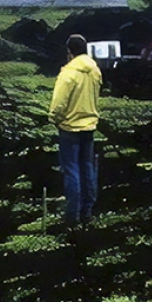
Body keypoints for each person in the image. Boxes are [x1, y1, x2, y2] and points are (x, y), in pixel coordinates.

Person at [48, 34, 102, 230]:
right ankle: (87, 211)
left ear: (69, 51)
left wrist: (54, 119)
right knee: (87, 167)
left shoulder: (68, 73)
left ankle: (72, 215)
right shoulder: (95, 70)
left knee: (71, 170)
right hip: (89, 126)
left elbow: (59, 102)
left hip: (69, 127)